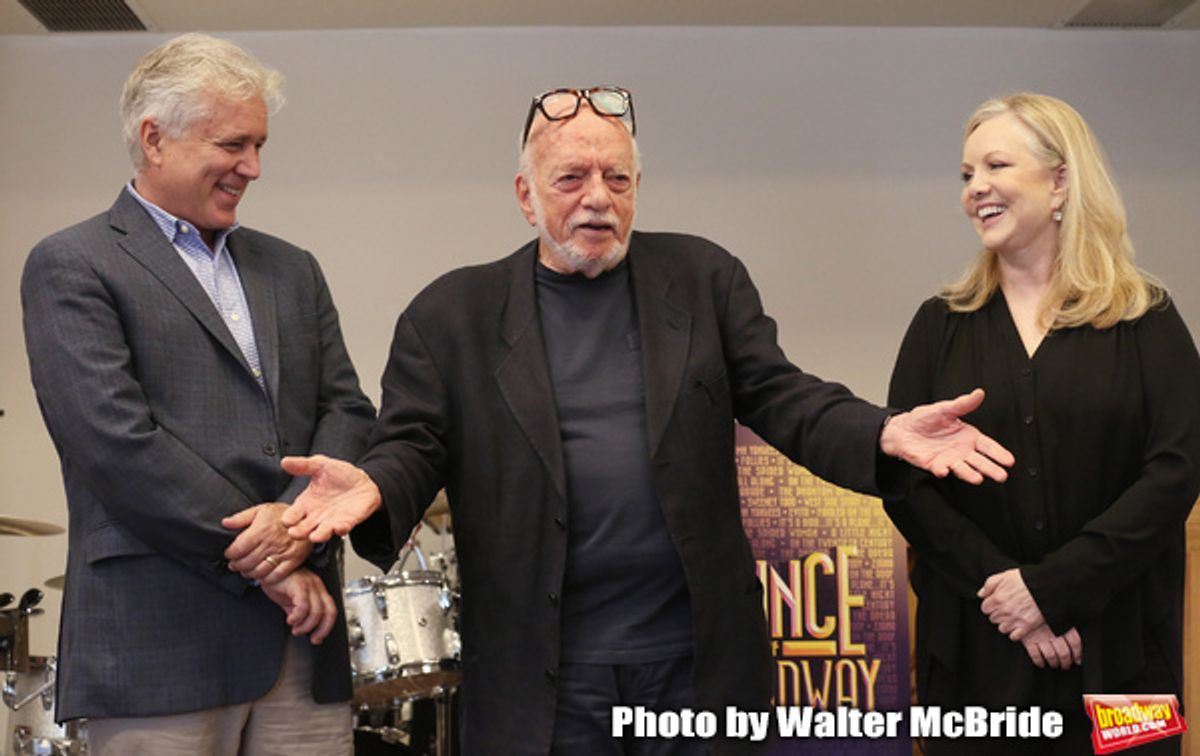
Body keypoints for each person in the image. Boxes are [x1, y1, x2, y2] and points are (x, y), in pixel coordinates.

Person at [280, 86, 1014, 755]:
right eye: (571, 179)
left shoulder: (703, 280)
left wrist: (880, 430)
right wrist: (375, 483)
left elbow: (782, 395)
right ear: (526, 196)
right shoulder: (452, 314)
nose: (597, 198)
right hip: (544, 678)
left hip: (695, 670)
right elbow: (415, 442)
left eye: (618, 179)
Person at [20, 33, 385, 756]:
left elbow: (346, 412)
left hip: (301, 647)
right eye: (233, 144)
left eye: (259, 146)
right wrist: (270, 557)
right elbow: (117, 443)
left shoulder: (292, 269)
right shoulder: (73, 264)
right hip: (160, 642)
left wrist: (295, 532)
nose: (252, 167)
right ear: (154, 138)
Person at [884, 92, 1200, 755]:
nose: (977, 189)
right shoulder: (938, 326)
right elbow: (907, 486)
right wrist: (1014, 599)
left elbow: (1176, 473)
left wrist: (1055, 590)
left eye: (996, 166)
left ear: (1060, 180)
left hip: (1125, 662)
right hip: (975, 657)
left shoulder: (1148, 320)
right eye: (967, 174)